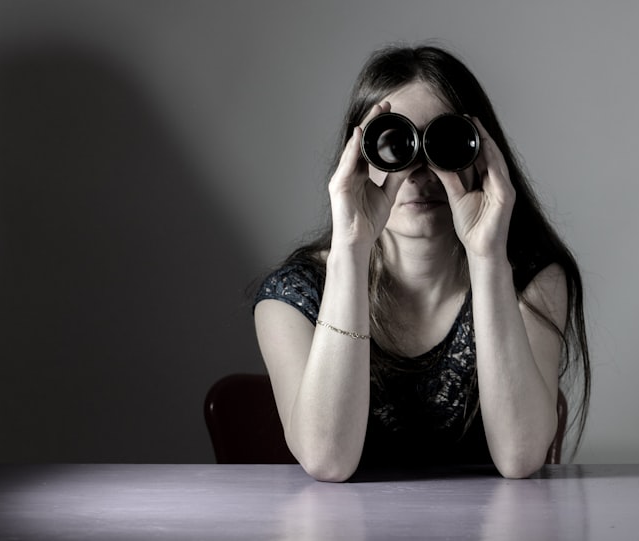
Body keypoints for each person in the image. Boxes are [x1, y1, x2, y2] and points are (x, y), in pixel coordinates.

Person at [253, 44, 590, 481]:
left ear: (481, 156)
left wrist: (487, 257)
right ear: (357, 159)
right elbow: (327, 460)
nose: (417, 172)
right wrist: (350, 251)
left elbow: (521, 456)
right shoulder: (292, 298)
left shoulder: (531, 280)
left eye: (443, 143)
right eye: (394, 143)